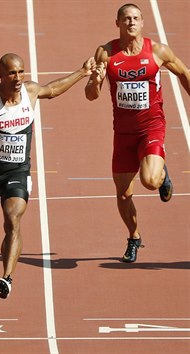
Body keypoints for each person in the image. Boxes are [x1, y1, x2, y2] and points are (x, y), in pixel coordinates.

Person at [0, 53, 94, 299]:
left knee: (13, 220)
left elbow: (53, 89)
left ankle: (7, 277)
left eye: (21, 72)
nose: (17, 78)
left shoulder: (30, 91)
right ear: (0, 75)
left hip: (18, 172)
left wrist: (81, 72)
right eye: (12, 73)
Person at [85, 3, 190, 263]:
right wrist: (96, 81)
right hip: (122, 134)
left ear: (142, 22)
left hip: (151, 127)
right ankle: (134, 236)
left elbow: (184, 73)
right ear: (117, 23)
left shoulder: (158, 51)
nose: (131, 23)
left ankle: (162, 175)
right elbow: (90, 95)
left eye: (135, 19)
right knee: (123, 193)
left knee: (150, 181)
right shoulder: (106, 53)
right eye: (126, 19)